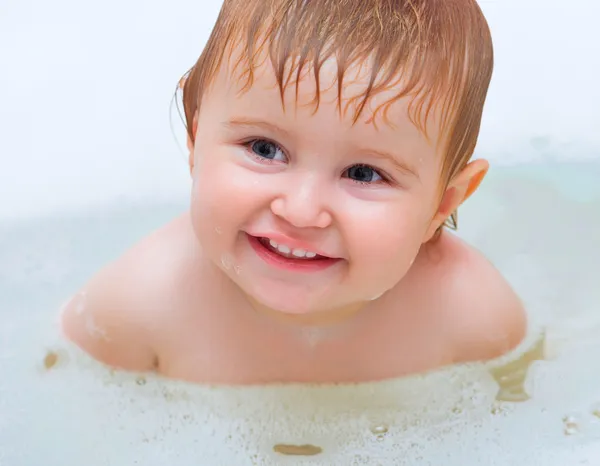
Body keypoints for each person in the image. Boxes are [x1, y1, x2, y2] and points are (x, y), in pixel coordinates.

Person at [61, 0, 526, 385]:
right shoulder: (136, 307)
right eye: (265, 148)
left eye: (364, 174)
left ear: (442, 205)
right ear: (195, 138)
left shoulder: (473, 316)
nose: (302, 211)